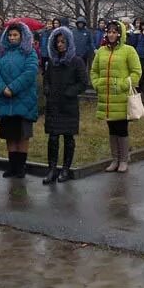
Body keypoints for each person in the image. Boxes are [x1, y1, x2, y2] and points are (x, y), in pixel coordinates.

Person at [91, 20, 142, 172]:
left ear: (120, 34)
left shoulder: (129, 50)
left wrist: (123, 84)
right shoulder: (101, 51)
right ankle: (115, 159)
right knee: (111, 129)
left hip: (121, 97)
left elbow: (136, 72)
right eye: (109, 32)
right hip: (106, 97)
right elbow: (94, 71)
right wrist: (97, 84)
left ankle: (124, 159)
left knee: (121, 128)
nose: (111, 35)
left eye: (114, 32)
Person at [0, 21, 40, 179]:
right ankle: (12, 166)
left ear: (22, 36)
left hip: (23, 100)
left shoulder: (29, 52)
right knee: (10, 136)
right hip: (5, 101)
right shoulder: (1, 53)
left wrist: (13, 88)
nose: (12, 38)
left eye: (15, 35)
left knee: (22, 136)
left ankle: (21, 167)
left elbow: (30, 72)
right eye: (10, 35)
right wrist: (2, 88)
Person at [43, 26, 89, 184]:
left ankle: (65, 169)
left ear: (69, 43)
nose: (60, 45)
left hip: (68, 105)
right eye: (57, 42)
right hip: (54, 105)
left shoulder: (76, 61)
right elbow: (46, 79)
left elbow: (83, 82)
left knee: (68, 138)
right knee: (53, 138)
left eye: (63, 42)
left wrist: (70, 92)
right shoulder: (52, 61)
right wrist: (47, 90)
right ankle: (52, 169)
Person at [72, 17, 95, 82]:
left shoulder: (87, 32)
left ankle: (83, 82)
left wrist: (94, 49)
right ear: (77, 24)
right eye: (79, 23)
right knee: (74, 68)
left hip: (84, 54)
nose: (80, 25)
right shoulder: (73, 31)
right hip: (75, 54)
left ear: (84, 24)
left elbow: (91, 42)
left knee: (83, 69)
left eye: (81, 23)